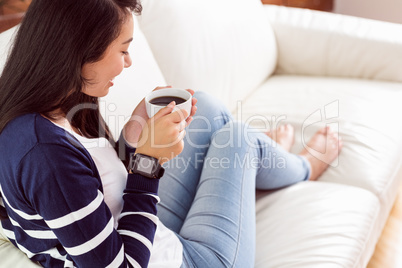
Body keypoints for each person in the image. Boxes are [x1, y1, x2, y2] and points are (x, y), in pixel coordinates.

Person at [0, 0, 342, 267]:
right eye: (123, 50)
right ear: (79, 54)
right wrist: (149, 161)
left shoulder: (51, 107)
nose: (129, 62)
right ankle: (303, 167)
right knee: (239, 139)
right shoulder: (45, 156)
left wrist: (134, 133)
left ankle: (262, 163)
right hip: (181, 260)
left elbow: (96, 185)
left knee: (203, 104)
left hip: (147, 232)